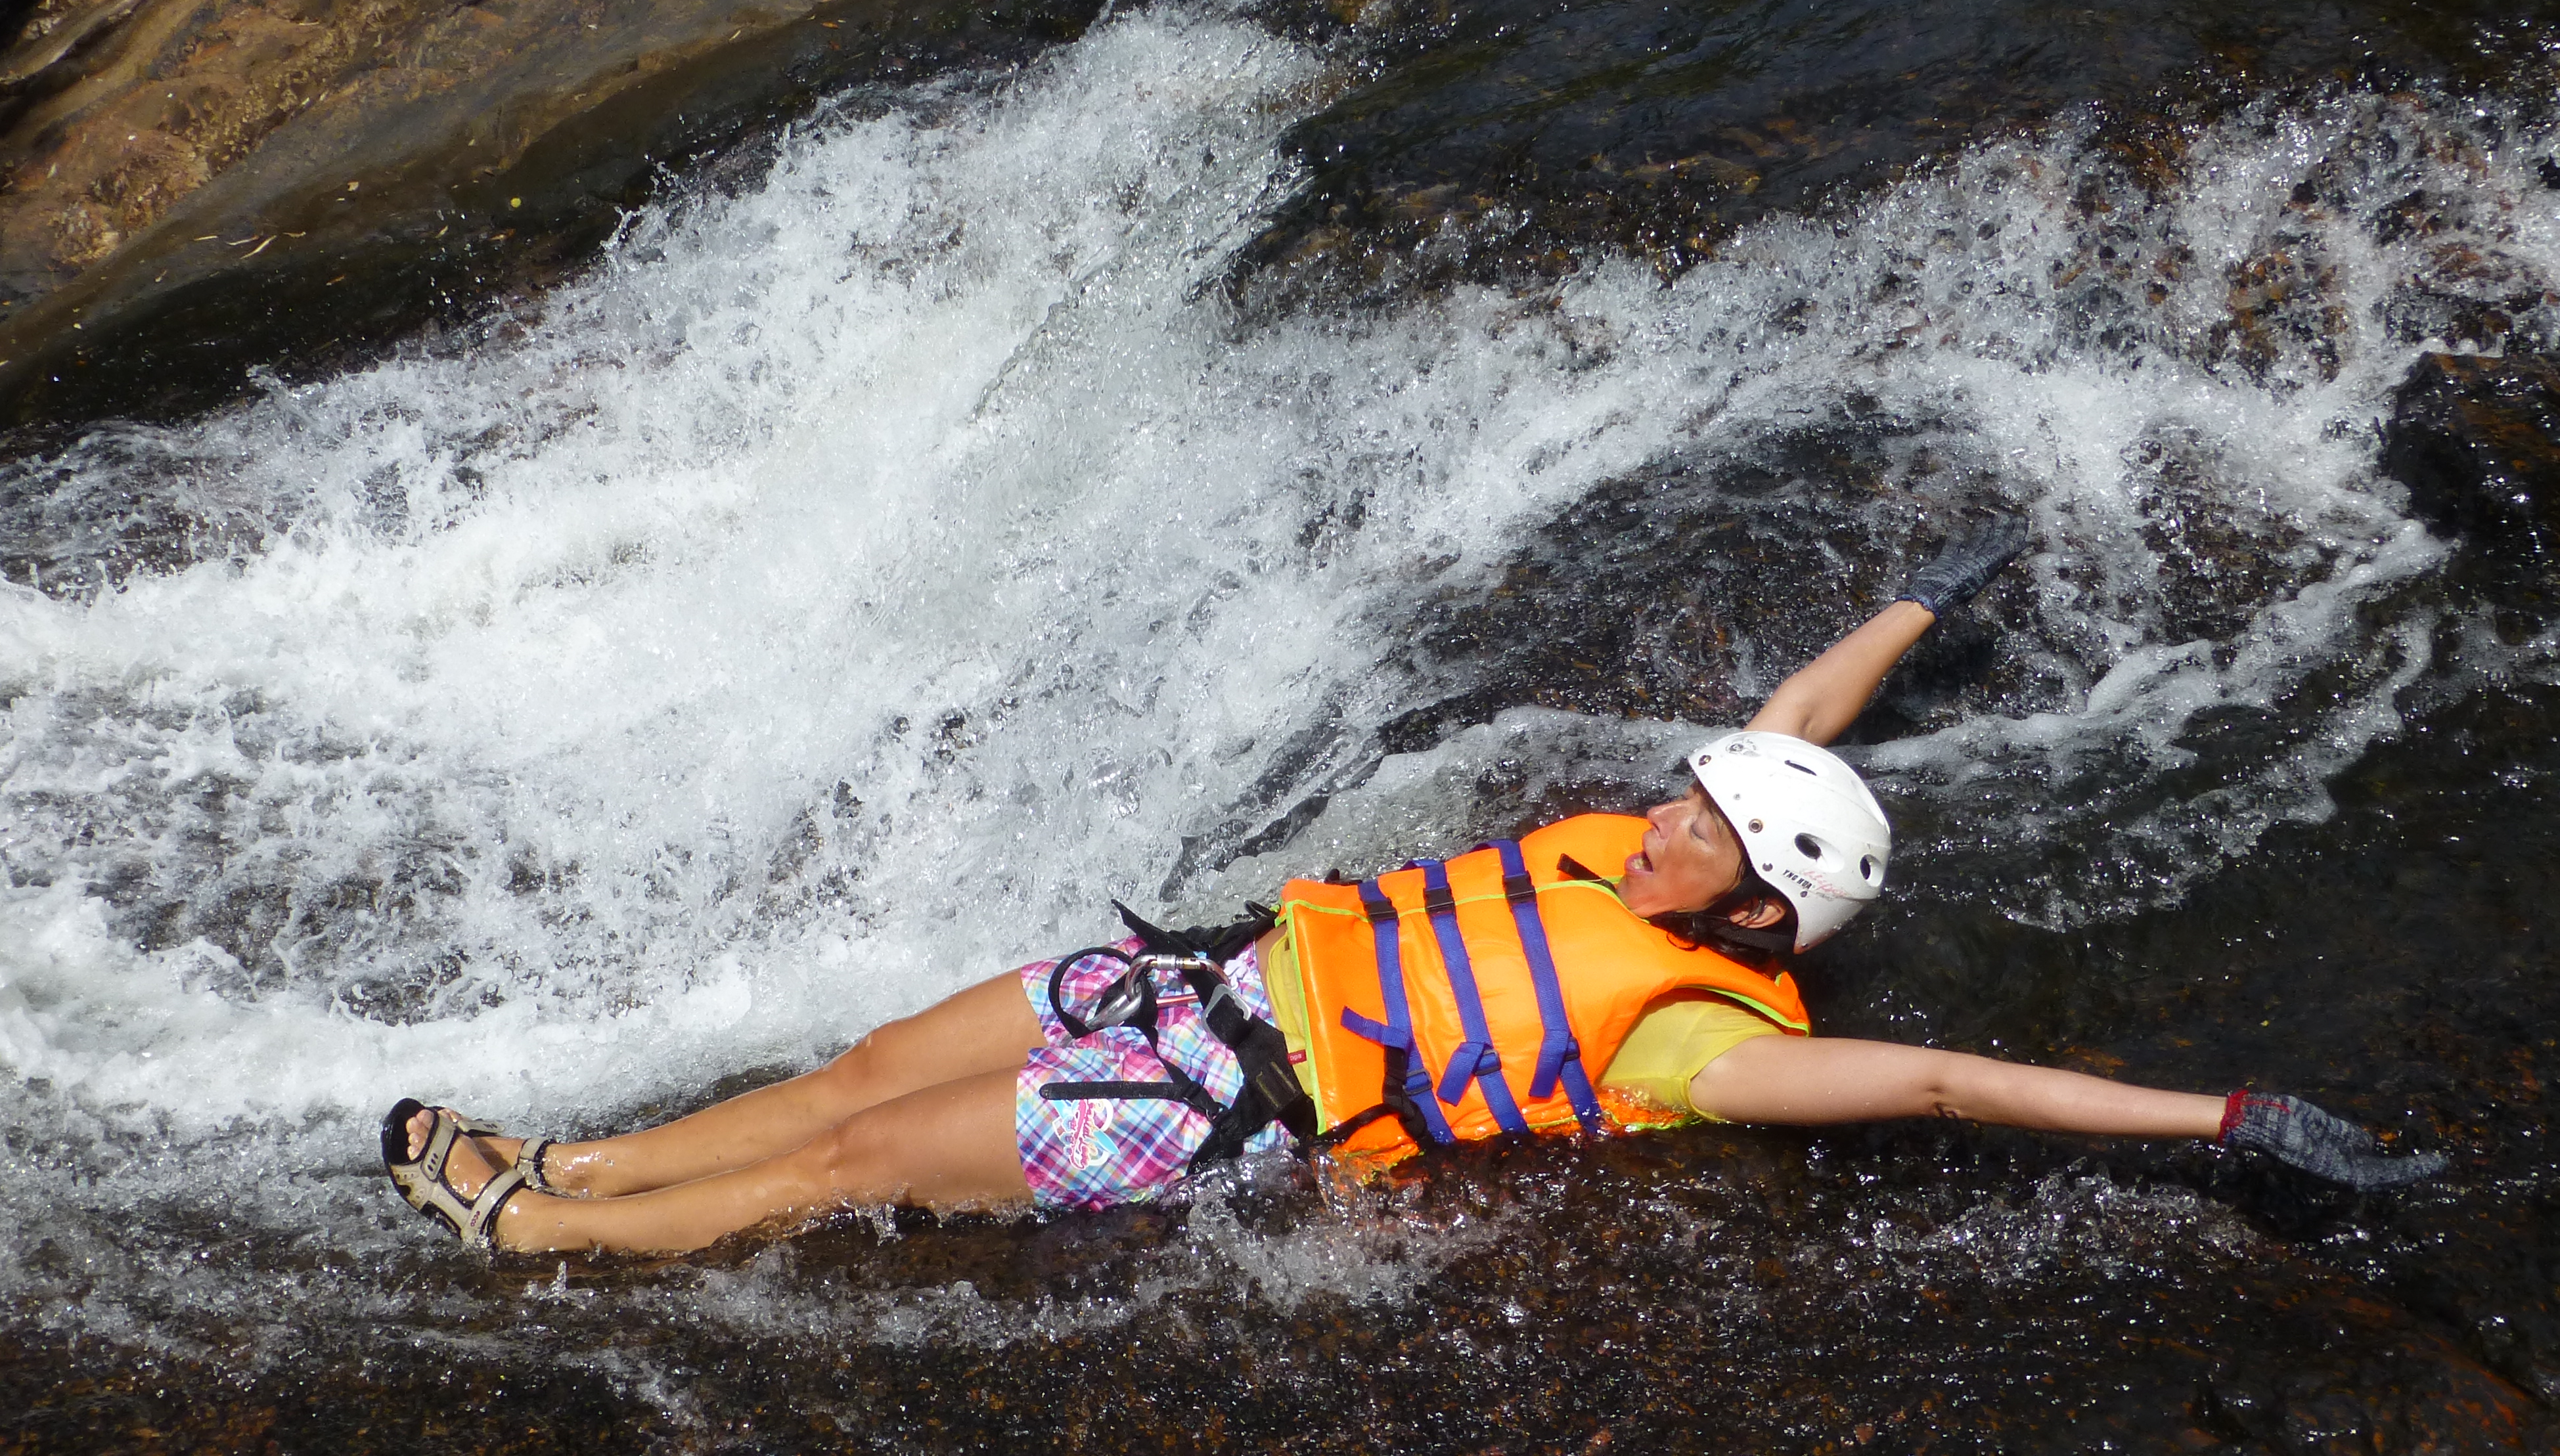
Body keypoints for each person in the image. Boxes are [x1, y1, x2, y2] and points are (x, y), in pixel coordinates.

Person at [380, 518, 2444, 1256]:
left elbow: (1945, 1086)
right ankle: (576, 1162)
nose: (1659, 821)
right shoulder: (1687, 845)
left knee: (851, 1166)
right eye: (1686, 803)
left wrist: (2228, 1120)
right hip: (1192, 983)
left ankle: (549, 1237)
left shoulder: (1710, 1046)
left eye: (1700, 839)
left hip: (1221, 1109)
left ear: (1753, 925)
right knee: (845, 1073)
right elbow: (1800, 720)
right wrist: (1918, 605)